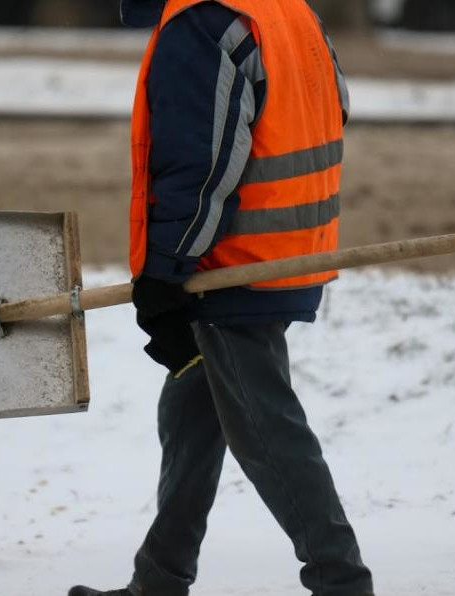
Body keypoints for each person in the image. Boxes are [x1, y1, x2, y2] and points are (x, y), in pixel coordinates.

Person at [69, 1, 373, 594]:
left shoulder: (202, 23)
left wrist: (165, 272)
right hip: (286, 246)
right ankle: (158, 579)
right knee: (192, 412)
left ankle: (342, 583)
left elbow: (200, 165)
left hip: (230, 264)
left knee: (266, 432)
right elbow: (335, 105)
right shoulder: (285, 8)